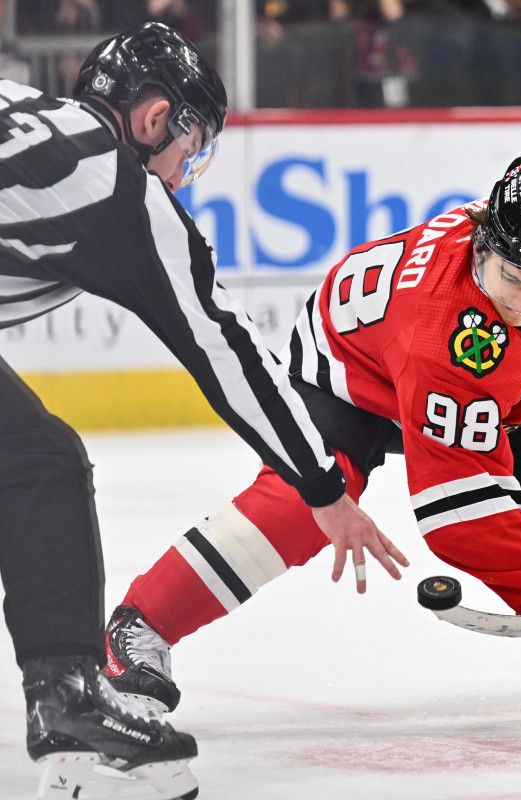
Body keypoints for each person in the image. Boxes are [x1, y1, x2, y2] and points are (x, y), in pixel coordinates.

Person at [101, 154, 521, 716]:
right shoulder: (451, 340)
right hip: (352, 375)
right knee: (308, 501)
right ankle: (139, 626)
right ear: (482, 246)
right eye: (511, 278)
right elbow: (455, 516)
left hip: (511, 388)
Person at [0, 22, 403, 800]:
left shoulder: (23, 106)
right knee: (39, 466)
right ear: (153, 119)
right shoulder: (119, 186)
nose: (186, 176)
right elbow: (230, 356)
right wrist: (322, 487)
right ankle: (69, 702)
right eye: (193, 149)